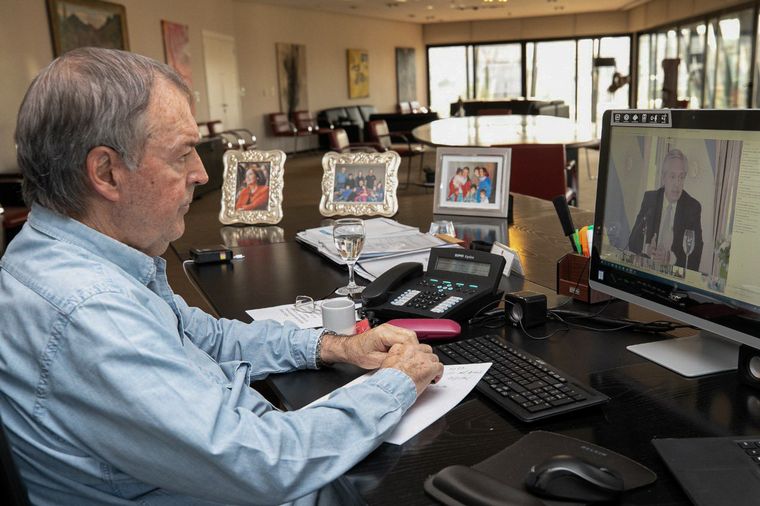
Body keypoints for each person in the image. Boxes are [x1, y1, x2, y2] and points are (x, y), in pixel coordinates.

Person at [0, 47, 443, 505]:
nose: (201, 173)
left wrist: (332, 346)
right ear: (107, 173)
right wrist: (395, 383)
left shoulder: (69, 255)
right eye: (182, 155)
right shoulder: (92, 310)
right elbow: (268, 462)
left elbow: (203, 336)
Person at [627, 148, 703, 270]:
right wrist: (647, 248)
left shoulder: (692, 208)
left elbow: (695, 257)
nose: (677, 183)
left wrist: (669, 258)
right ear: (663, 177)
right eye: (672, 176)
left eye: (681, 177)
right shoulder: (650, 199)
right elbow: (632, 241)